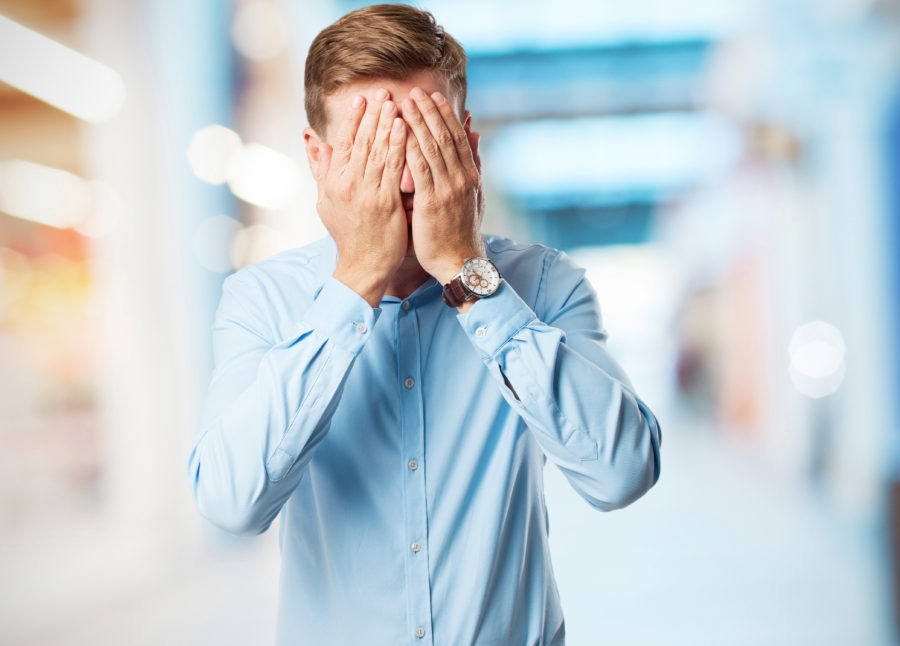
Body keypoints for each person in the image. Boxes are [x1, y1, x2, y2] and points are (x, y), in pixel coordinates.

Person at [187, 4, 662, 645]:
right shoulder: (262, 301)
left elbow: (620, 474)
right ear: (318, 158)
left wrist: (469, 276)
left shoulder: (545, 285)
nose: (403, 176)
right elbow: (232, 504)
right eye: (370, 146)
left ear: (467, 145)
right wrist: (354, 280)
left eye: (423, 139)